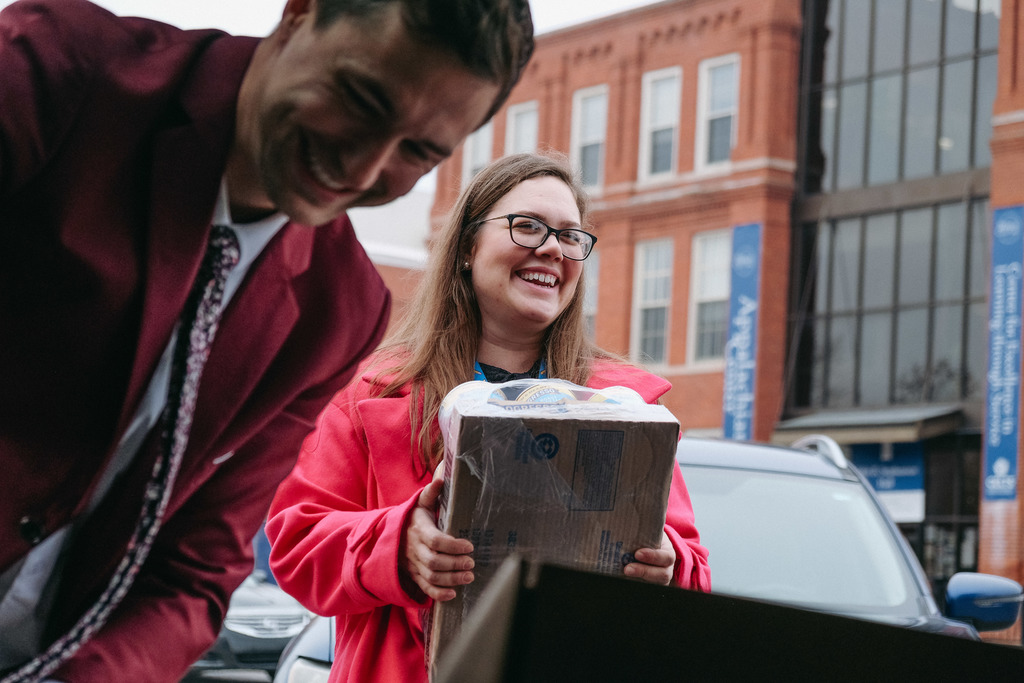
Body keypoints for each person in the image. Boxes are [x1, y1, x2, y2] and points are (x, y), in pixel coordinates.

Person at [0, 0, 533, 680]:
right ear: (300, 12)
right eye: (361, 99)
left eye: (418, 152)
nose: (362, 168)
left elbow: (193, 572)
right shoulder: (57, 72)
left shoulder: (342, 308)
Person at [266, 152, 712, 683]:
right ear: (466, 247)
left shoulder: (627, 408)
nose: (553, 248)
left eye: (570, 236)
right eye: (527, 226)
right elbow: (296, 545)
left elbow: (691, 568)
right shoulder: (370, 393)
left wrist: (668, 565)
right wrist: (399, 545)